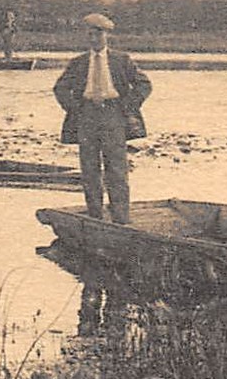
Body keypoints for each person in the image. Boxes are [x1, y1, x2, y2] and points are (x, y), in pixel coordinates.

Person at [52, 12, 152, 224]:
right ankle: (94, 217)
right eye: (90, 35)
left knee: (117, 169)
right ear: (86, 37)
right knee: (89, 169)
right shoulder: (78, 63)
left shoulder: (121, 60)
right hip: (86, 116)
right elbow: (60, 88)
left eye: (98, 35)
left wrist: (127, 107)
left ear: (106, 36)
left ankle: (121, 219)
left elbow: (144, 85)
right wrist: (75, 109)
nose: (94, 39)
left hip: (113, 116)